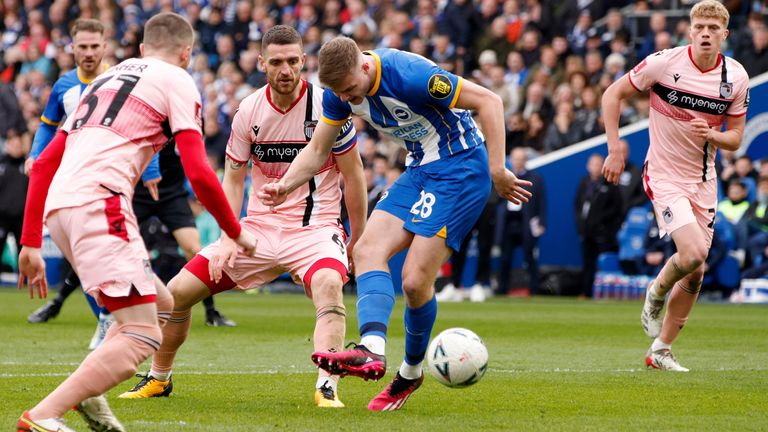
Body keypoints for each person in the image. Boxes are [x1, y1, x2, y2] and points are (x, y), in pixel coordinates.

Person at [259, 36, 532, 411]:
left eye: (352, 90)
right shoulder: (340, 93)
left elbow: (490, 101)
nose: (350, 99)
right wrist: (286, 183)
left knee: (415, 283)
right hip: (420, 168)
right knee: (367, 248)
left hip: (462, 168)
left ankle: (410, 372)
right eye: (341, 93)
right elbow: (318, 149)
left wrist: (498, 168)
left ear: (365, 67)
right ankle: (370, 350)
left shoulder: (411, 75)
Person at [16, 13, 256, 431]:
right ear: (186, 53)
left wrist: (31, 241)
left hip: (61, 208)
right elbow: (198, 171)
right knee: (144, 335)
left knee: (163, 306)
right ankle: (42, 415)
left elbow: (44, 164)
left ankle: (89, 397)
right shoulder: (177, 78)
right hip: (101, 203)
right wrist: (235, 233)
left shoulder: (103, 82)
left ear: (142, 49)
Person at [117, 25, 366, 408]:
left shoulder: (328, 106)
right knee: (177, 293)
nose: (286, 70)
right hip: (257, 230)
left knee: (330, 285)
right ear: (262, 63)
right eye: (278, 62)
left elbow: (353, 177)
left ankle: (327, 386)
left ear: (304, 61)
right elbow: (232, 179)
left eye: (294, 61)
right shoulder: (248, 110)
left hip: (314, 229)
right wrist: (228, 236)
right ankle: (158, 378)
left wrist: (357, 239)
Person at [601, 0, 750, 371]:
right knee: (694, 254)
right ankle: (655, 292)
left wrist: (713, 136)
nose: (705, 33)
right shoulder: (664, 63)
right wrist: (615, 147)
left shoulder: (735, 78)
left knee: (696, 268)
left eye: (713, 29)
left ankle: (661, 349)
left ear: (724, 35)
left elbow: (736, 139)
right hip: (664, 175)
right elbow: (612, 95)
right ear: (689, 30)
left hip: (704, 181)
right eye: (699, 26)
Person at [25, 19, 113, 333]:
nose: (89, 52)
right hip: (74, 181)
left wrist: (152, 169)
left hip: (113, 179)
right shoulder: (64, 85)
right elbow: (48, 125)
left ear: (105, 47)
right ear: (72, 48)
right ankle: (105, 319)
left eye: (94, 46)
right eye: (82, 46)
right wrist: (37, 154)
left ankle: (121, 317)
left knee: (103, 254)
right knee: (81, 257)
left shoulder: (119, 80)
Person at [498, 147, 547, 296]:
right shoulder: (502, 177)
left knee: (530, 258)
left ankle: (534, 290)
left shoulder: (536, 178)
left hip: (526, 224)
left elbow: (542, 202)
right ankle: (501, 290)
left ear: (526, 161)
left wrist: (542, 223)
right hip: (508, 222)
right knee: (505, 258)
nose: (518, 162)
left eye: (521, 159)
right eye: (515, 159)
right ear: (510, 160)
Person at [575, 153, 623, 298]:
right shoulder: (584, 183)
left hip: (603, 234)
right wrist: (581, 225)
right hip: (586, 232)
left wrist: (604, 226)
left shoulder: (610, 184)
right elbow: (577, 205)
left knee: (604, 262)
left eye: (598, 164)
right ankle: (586, 292)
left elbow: (617, 209)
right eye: (592, 164)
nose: (595, 168)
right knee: (587, 263)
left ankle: (603, 293)